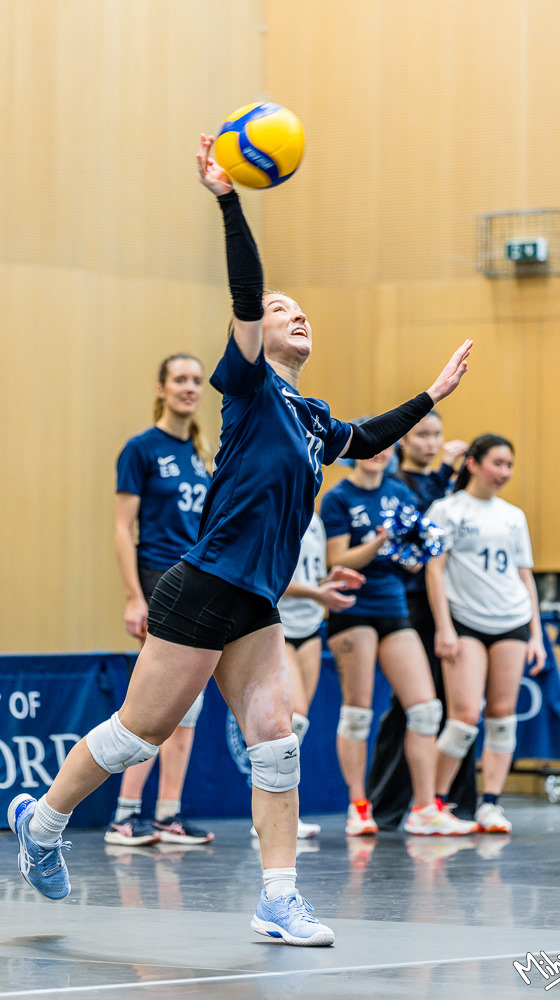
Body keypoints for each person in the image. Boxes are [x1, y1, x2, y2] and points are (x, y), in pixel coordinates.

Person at [7, 134, 471, 947]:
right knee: (138, 733)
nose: (297, 315)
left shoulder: (311, 417)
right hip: (203, 583)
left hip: (254, 599)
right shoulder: (249, 387)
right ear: (257, 329)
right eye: (284, 310)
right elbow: (248, 292)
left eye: (302, 311)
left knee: (276, 743)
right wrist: (228, 200)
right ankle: (41, 825)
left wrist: (430, 394)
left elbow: (364, 438)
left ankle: (278, 900)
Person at [321, 442, 479, 837]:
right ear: (355, 453)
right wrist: (380, 543)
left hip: (393, 604)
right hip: (352, 608)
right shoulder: (339, 497)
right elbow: (336, 559)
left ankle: (424, 808)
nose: (380, 453)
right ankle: (359, 807)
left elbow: (409, 559)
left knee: (425, 710)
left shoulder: (399, 491)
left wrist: (416, 550)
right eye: (371, 448)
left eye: (385, 448)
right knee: (357, 713)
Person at [107, 353, 214, 847]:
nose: (189, 388)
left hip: (199, 580)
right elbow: (122, 529)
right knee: (154, 699)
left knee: (188, 703)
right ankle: (125, 814)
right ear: (161, 388)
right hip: (159, 579)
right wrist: (134, 597)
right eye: (180, 380)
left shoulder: (203, 452)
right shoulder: (141, 449)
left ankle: (168, 813)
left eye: (196, 380)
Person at [426, 434, 546, 834]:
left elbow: (524, 576)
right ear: (473, 464)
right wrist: (444, 626)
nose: (504, 472)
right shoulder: (446, 509)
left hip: (511, 620)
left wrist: (536, 635)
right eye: (497, 463)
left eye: (509, 465)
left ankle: (491, 804)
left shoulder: (513, 516)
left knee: (502, 716)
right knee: (463, 717)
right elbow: (434, 570)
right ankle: (431, 803)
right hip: (465, 622)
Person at [366, 413, 479, 829]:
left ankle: (451, 802)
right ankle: (386, 805)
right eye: (421, 435)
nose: (431, 444)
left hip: (450, 603)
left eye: (437, 435)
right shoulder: (398, 484)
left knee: (457, 706)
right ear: (403, 441)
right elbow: (418, 521)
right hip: (411, 603)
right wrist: (447, 469)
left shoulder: (446, 484)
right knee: (412, 706)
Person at [251, 513, 365, 839]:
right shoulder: (274, 513)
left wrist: (330, 579)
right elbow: (270, 578)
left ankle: (281, 812)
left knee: (297, 725)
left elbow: (310, 574)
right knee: (293, 718)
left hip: (310, 627)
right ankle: (268, 814)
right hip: (277, 624)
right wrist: (318, 594)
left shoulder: (315, 519)